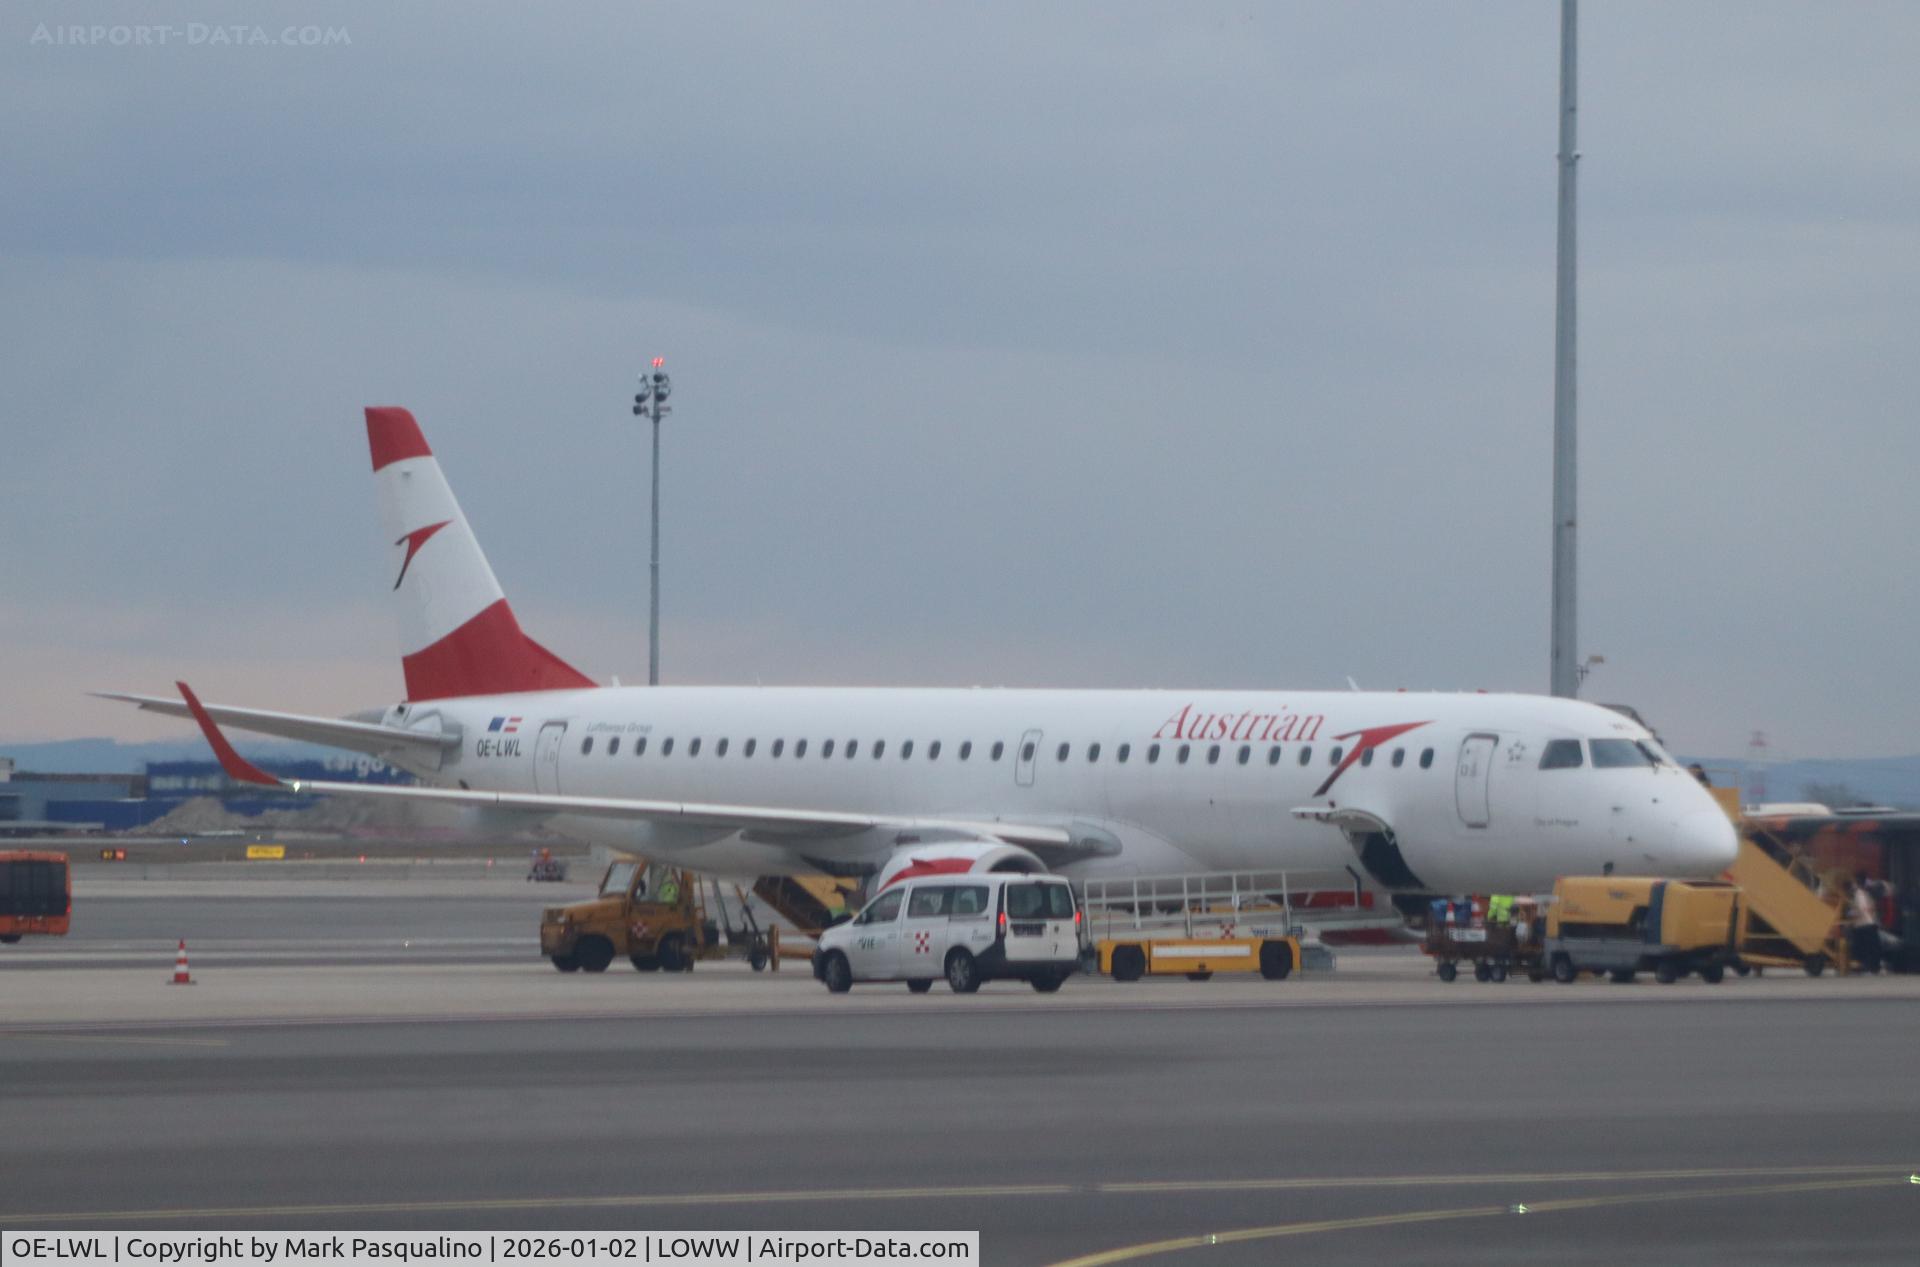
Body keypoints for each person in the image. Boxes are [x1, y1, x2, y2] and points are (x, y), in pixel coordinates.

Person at [1849, 873, 1883, 974]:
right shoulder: (1868, 892)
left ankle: (1863, 966)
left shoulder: (1859, 893)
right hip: (1871, 924)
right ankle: (1873, 966)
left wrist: (1851, 914)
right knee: (1872, 947)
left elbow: (1860, 909)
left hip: (1862, 925)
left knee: (1861, 947)